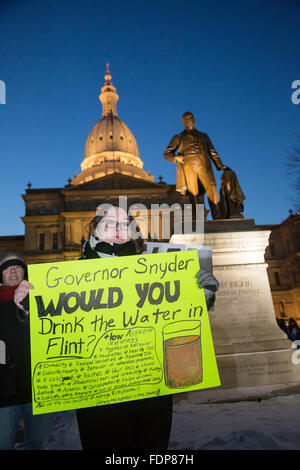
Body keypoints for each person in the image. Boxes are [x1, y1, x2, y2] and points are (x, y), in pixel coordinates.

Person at [75, 205, 219, 450]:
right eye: (109, 223)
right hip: (98, 395)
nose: (118, 229)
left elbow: (180, 318)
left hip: (150, 391)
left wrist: (202, 296)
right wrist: (26, 309)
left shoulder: (158, 269)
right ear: (95, 231)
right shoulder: (67, 277)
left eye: (125, 224)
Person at [0, 251, 54, 450]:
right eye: (7, 267)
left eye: (17, 266)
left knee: (38, 442)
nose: (13, 271)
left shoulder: (44, 299)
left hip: (38, 389)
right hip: (4, 393)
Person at [164, 111, 226, 219]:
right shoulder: (178, 137)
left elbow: (212, 152)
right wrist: (175, 157)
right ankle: (197, 218)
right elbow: (166, 154)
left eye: (191, 118)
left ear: (194, 119)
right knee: (193, 192)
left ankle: (218, 217)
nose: (189, 120)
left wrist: (220, 166)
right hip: (188, 166)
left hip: (203, 164)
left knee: (211, 188)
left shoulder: (204, 136)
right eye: (187, 119)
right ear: (183, 122)